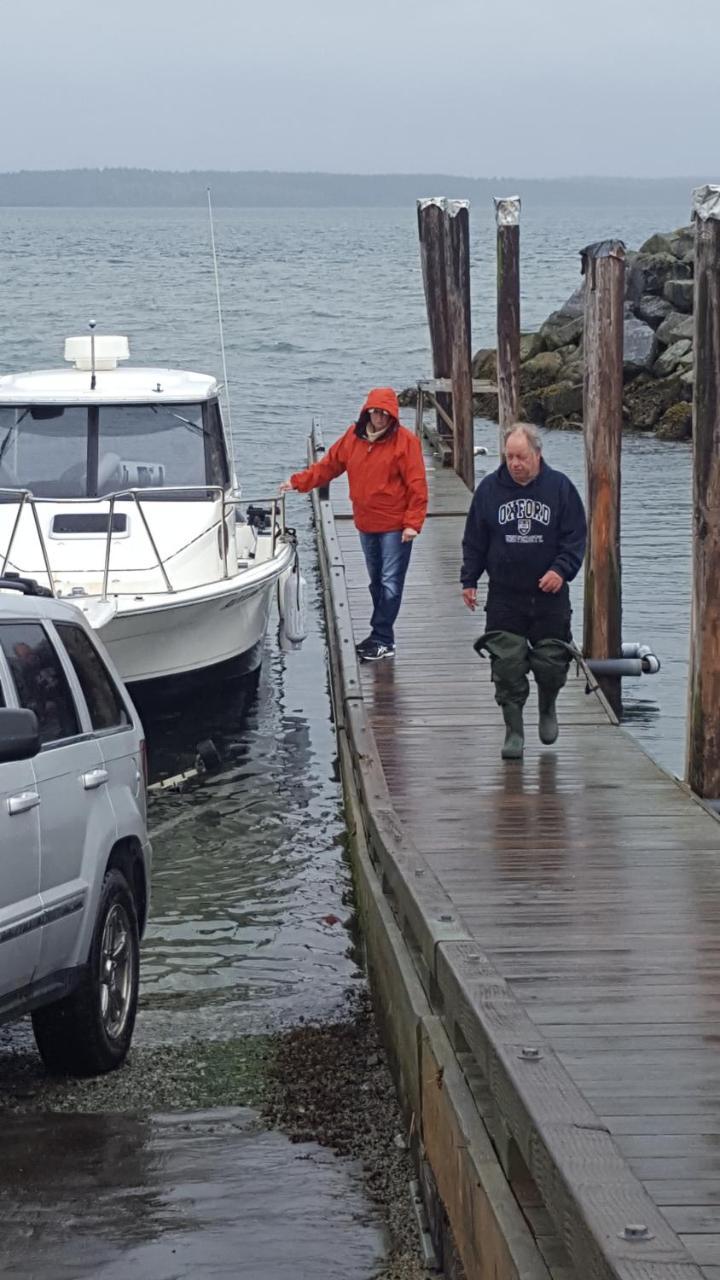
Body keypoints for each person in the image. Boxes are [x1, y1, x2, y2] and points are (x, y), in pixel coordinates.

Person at [461, 423, 587, 760]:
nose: (515, 463)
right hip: (505, 594)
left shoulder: (560, 488)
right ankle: (514, 730)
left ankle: (548, 706)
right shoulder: (489, 490)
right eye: (510, 457)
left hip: (549, 595)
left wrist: (561, 570)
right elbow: (474, 540)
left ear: (537, 455)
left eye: (522, 457)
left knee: (550, 662)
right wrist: (469, 580)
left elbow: (575, 537)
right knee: (507, 664)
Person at [280, 388, 428, 660]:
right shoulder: (352, 438)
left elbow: (417, 486)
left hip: (396, 525)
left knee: (390, 582)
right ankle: (382, 637)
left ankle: (382, 637)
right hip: (366, 522)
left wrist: (412, 524)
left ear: (393, 416)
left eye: (386, 413)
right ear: (367, 412)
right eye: (375, 411)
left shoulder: (406, 443)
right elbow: (328, 466)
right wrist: (298, 482)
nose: (380, 417)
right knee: (376, 582)